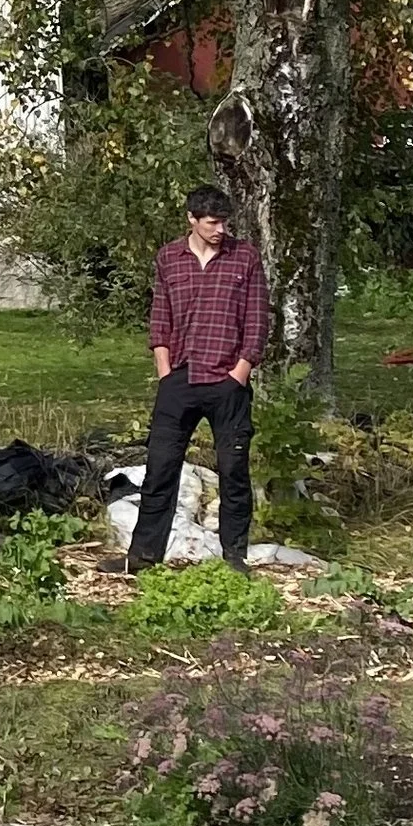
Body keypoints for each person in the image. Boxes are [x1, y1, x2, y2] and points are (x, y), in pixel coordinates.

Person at [126, 186, 268, 572]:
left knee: (233, 471)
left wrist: (241, 370)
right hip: (180, 379)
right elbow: (160, 317)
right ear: (192, 218)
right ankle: (142, 556)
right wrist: (164, 370)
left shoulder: (245, 258)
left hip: (227, 381)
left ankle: (234, 556)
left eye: (225, 222)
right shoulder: (168, 259)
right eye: (212, 222)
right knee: (160, 468)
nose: (221, 229)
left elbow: (257, 320)